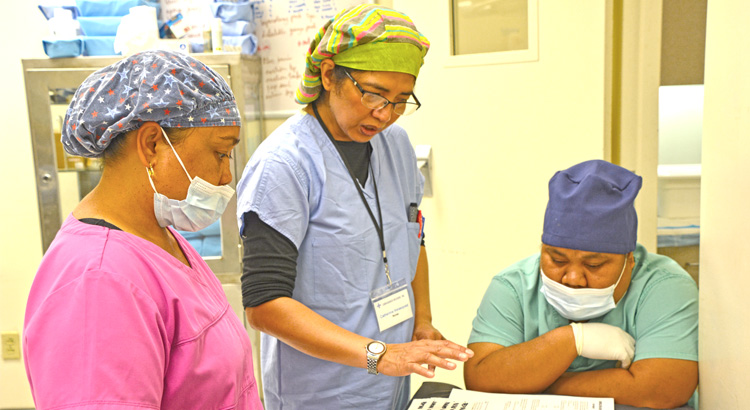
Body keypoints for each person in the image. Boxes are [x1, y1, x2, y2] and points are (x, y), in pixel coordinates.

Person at [235, 4, 473, 409]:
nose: (384, 115)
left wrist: (423, 322)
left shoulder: (395, 146)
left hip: (390, 382)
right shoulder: (285, 164)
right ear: (329, 74)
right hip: (320, 390)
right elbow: (264, 306)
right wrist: (381, 355)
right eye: (374, 94)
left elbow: (413, 236)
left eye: (400, 101)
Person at [23, 50, 262, 410]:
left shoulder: (158, 236)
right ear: (152, 144)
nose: (226, 176)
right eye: (219, 153)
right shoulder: (99, 282)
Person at [464, 160, 699, 409]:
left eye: (594, 265)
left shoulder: (664, 286)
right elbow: (480, 379)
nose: (573, 278)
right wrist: (571, 340)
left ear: (629, 260)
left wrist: (535, 380)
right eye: (557, 259)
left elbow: (663, 389)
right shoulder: (512, 286)